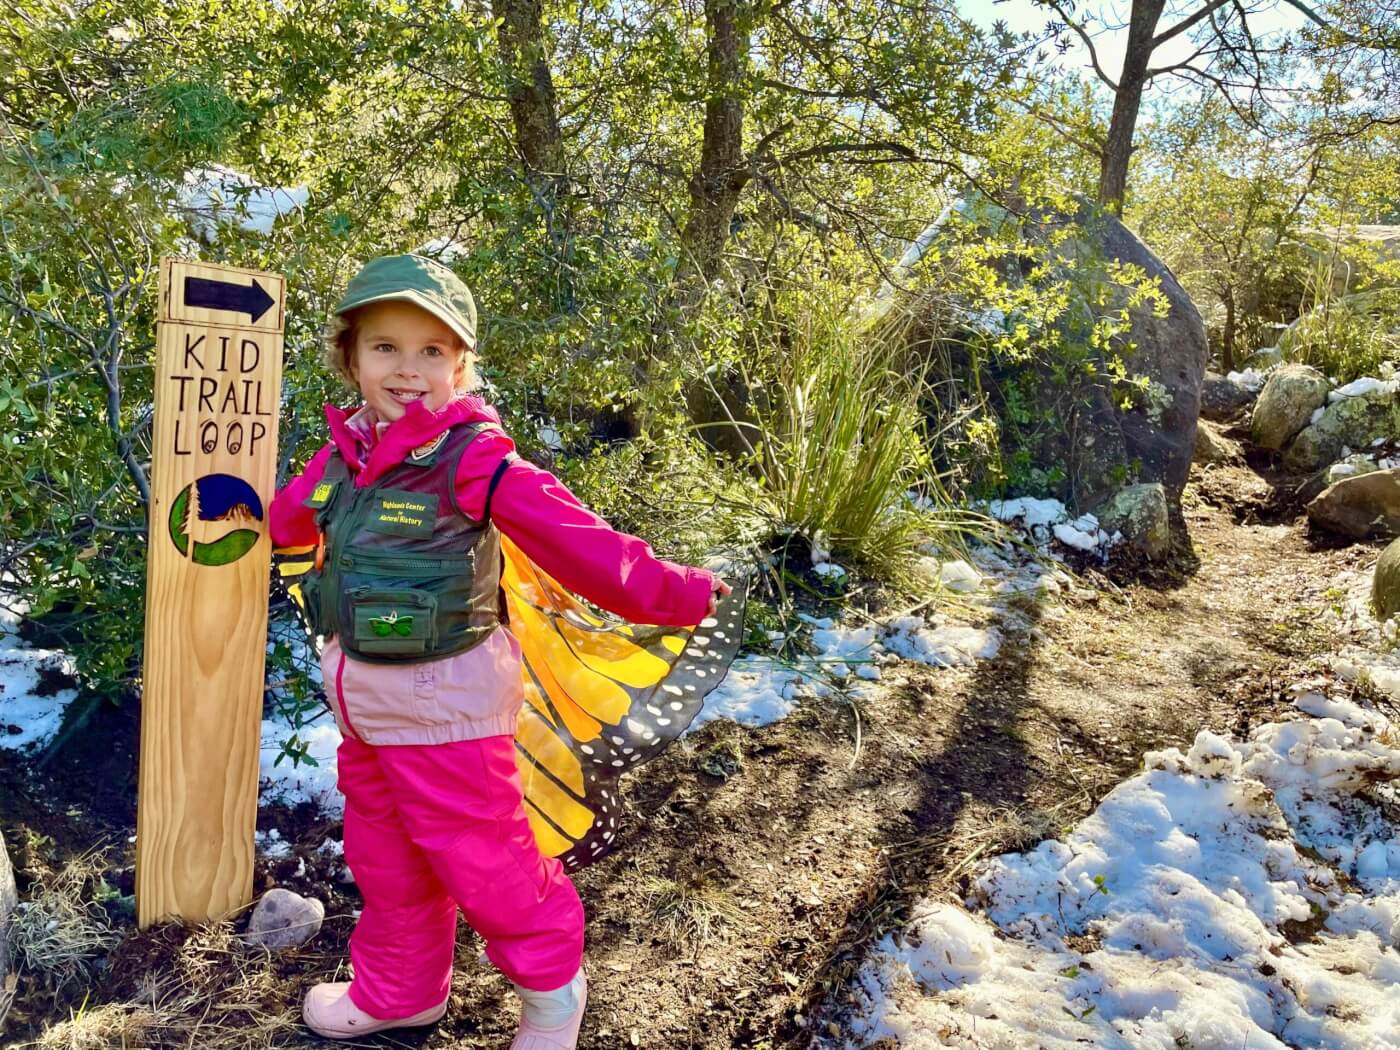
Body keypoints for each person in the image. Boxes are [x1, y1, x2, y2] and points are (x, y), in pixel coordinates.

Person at [269, 254, 731, 1047]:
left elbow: (581, 544)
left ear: (460, 366)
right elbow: (292, 521)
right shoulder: (346, 455)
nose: (407, 370)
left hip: (447, 706)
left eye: (432, 352)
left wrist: (680, 591)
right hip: (366, 706)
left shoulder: (474, 458)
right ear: (350, 358)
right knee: (386, 861)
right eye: (385, 347)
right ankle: (399, 992)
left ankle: (554, 995)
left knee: (488, 863)